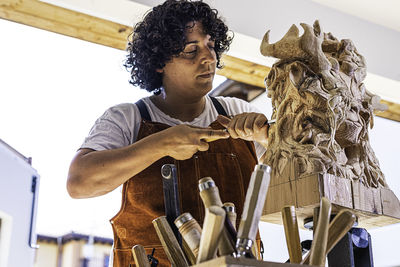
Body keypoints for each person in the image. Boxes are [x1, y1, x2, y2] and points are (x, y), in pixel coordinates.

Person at [67, 0, 269, 266]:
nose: (208, 57)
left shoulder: (235, 111)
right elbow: (79, 183)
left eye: (210, 45)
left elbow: (295, 181)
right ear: (160, 62)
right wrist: (161, 143)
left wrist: (269, 138)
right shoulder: (128, 119)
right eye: (191, 50)